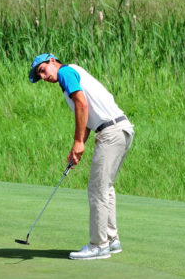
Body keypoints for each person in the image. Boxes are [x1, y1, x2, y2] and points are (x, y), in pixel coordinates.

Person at [29, 53, 134, 260]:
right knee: (106, 188)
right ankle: (111, 240)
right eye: (39, 75)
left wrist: (78, 143)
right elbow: (86, 117)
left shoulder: (65, 72)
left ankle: (98, 245)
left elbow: (82, 105)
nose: (43, 76)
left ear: (52, 61)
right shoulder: (72, 74)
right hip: (121, 129)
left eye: (42, 70)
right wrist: (78, 145)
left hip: (110, 133)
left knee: (97, 189)